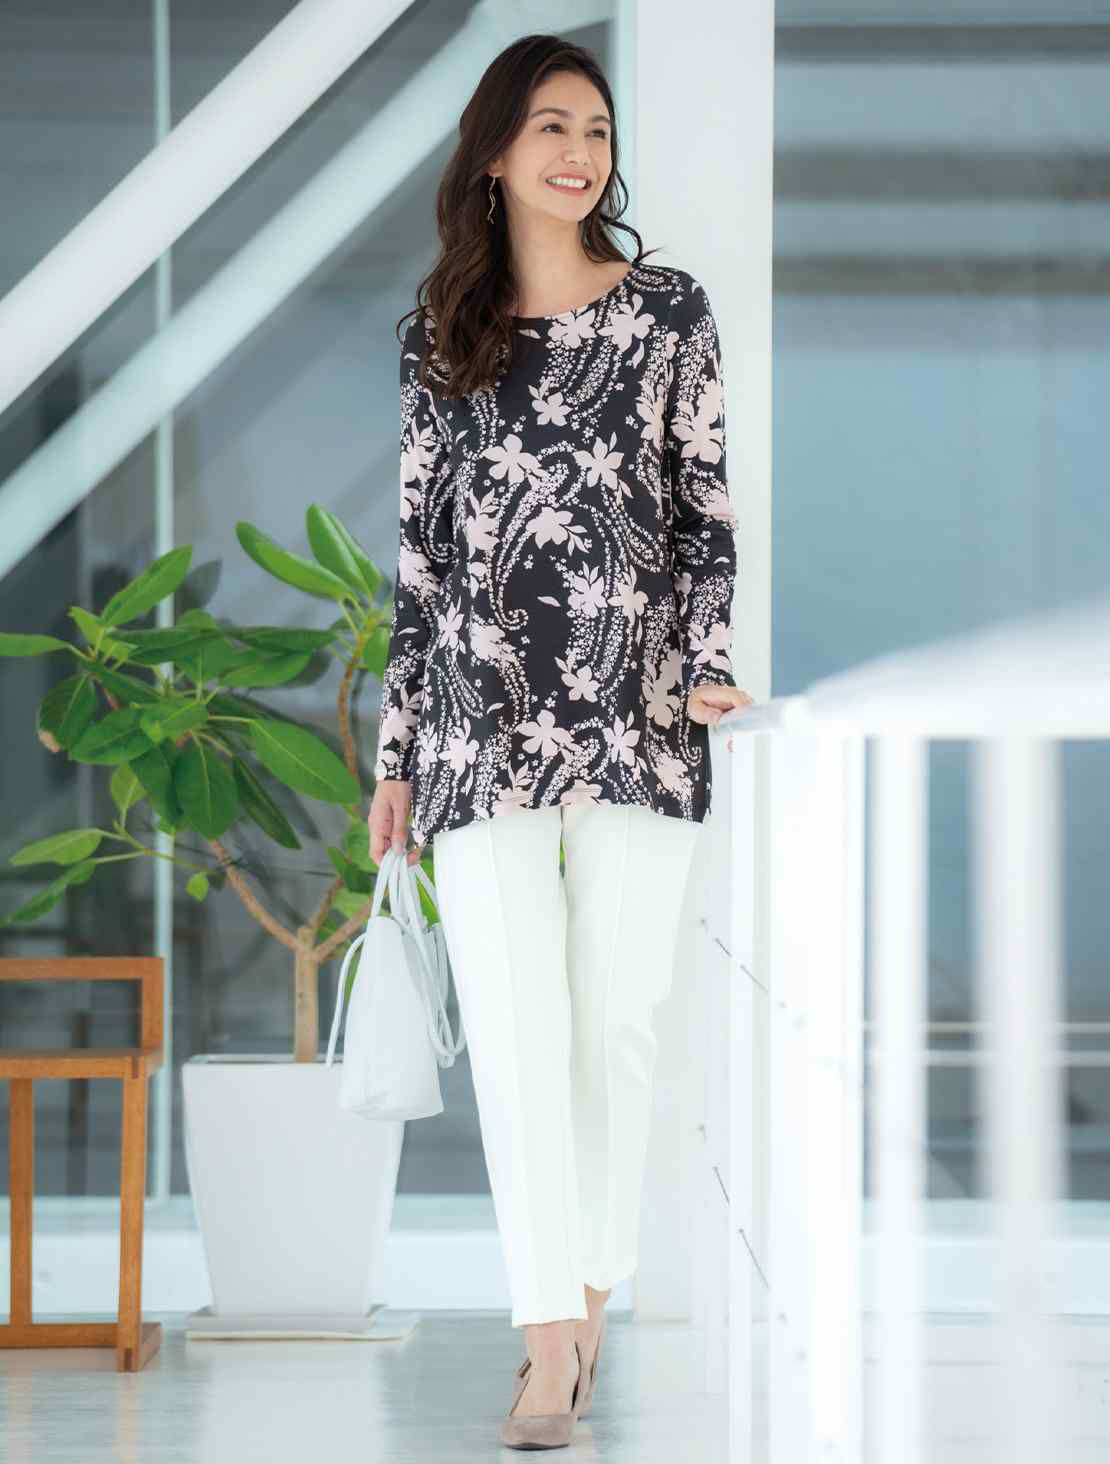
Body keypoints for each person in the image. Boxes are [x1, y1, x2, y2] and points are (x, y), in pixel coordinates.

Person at [366, 32, 753, 1450]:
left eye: (594, 128)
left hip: (641, 724)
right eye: (549, 126)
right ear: (492, 153)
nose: (578, 151)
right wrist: (398, 753)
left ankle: (583, 1304)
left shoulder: (666, 310)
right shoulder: (438, 331)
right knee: (521, 1042)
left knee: (616, 1028)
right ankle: (549, 1341)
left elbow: (703, 506)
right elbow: (419, 559)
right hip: (477, 737)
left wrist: (708, 663)